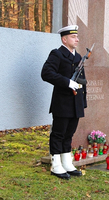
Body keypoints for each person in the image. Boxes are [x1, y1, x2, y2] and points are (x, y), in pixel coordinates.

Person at [41, 25, 87, 179]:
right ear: (64, 39)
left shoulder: (78, 57)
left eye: (77, 36)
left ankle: (67, 162)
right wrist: (67, 82)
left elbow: (82, 80)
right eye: (74, 37)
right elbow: (46, 73)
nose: (77, 39)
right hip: (62, 102)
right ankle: (56, 164)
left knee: (69, 134)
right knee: (59, 133)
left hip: (76, 102)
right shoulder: (57, 54)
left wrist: (83, 101)